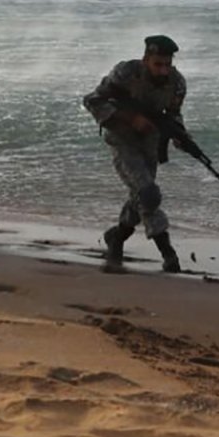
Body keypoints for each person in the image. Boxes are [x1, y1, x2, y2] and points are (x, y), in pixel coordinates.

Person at [82, 35, 188, 274]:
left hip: (150, 142)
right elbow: (92, 100)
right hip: (122, 139)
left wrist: (180, 135)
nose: (163, 70)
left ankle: (117, 237)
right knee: (148, 193)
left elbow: (173, 115)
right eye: (157, 64)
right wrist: (131, 118)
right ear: (145, 59)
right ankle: (168, 254)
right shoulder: (126, 73)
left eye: (167, 65)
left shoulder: (177, 83)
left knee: (141, 195)